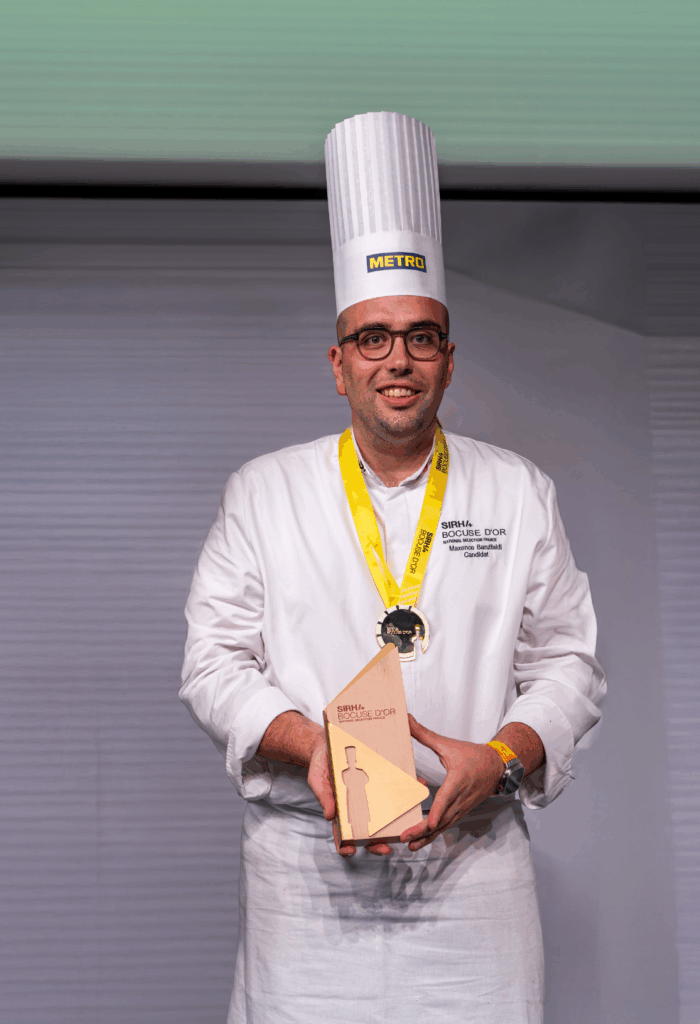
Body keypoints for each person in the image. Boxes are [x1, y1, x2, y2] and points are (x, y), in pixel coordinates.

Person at [181, 111, 605, 1024]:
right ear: (339, 365)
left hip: (474, 868)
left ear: (449, 361)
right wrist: (312, 746)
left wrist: (500, 757)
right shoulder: (264, 490)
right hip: (307, 872)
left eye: (421, 337)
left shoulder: (517, 491)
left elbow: (570, 663)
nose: (398, 360)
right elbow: (212, 665)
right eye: (373, 338)